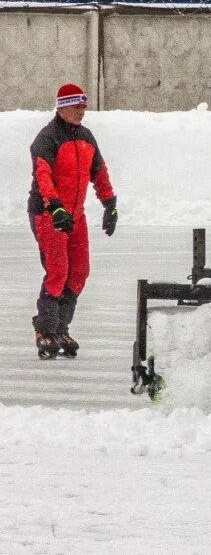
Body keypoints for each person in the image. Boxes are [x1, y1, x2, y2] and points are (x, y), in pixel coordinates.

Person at [29, 83, 118, 359]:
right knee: (58, 270)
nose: (81, 111)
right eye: (76, 106)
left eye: (84, 107)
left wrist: (109, 203)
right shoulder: (47, 138)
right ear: (62, 107)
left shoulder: (87, 137)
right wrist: (54, 206)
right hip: (48, 212)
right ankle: (45, 330)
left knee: (79, 272)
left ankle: (61, 328)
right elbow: (42, 174)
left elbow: (99, 171)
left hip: (75, 214)